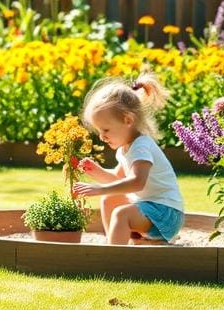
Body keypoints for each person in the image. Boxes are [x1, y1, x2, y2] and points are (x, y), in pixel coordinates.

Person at [72, 73, 184, 245]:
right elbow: (118, 180)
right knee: (109, 199)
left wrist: (99, 189)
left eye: (106, 130)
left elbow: (136, 182)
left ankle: (115, 257)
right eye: (99, 131)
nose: (102, 137)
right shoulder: (126, 148)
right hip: (150, 210)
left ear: (128, 120)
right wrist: (97, 172)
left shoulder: (141, 146)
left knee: (121, 214)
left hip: (165, 214)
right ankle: (116, 242)